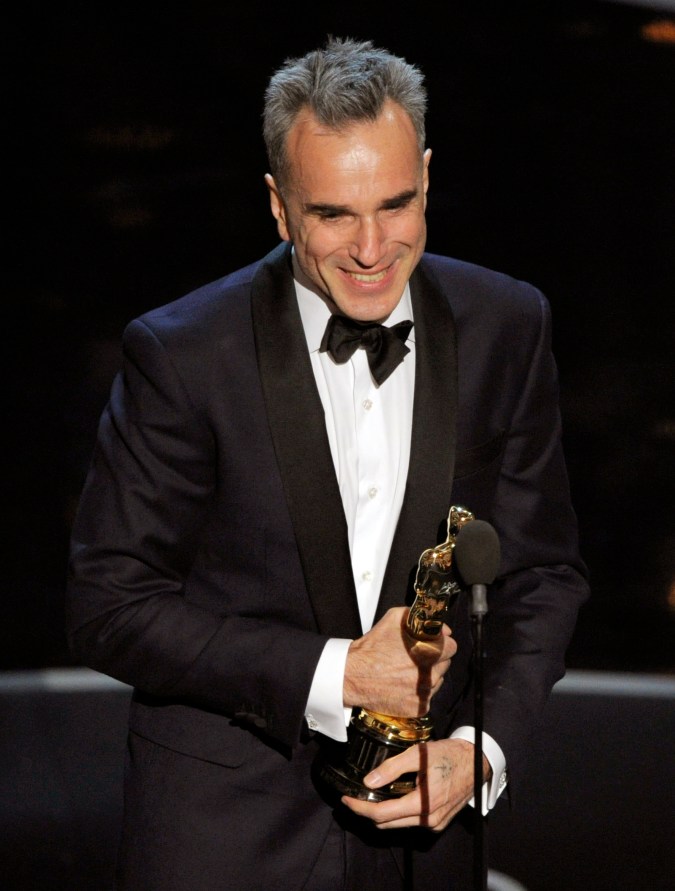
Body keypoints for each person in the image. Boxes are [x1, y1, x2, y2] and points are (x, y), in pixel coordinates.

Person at [65, 36, 590, 890]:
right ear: (279, 207)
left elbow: (542, 575)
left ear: (426, 177)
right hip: (224, 841)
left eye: (396, 204)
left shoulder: (506, 324)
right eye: (334, 215)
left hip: (427, 838)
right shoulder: (183, 353)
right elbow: (108, 604)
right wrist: (338, 672)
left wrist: (479, 750)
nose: (372, 248)